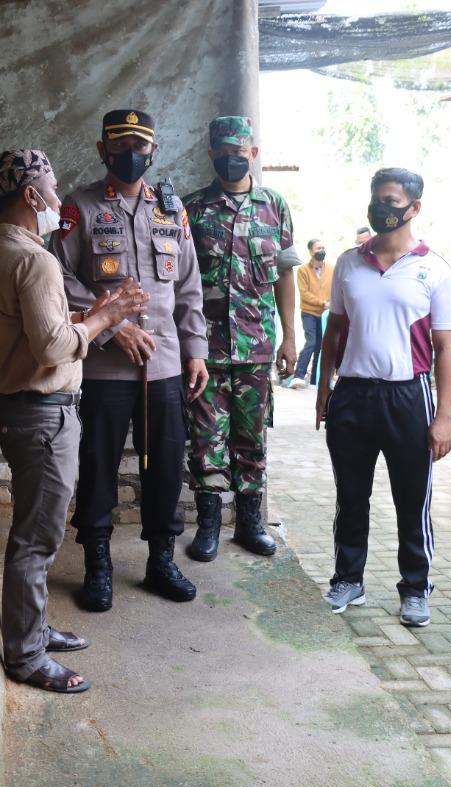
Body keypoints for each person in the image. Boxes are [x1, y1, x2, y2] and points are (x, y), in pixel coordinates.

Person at [0, 149, 148, 693]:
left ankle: (31, 627)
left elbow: (41, 326)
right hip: (42, 416)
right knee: (38, 538)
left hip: (26, 413)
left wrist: (95, 312)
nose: (58, 200)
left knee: (35, 530)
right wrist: (106, 317)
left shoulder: (3, 249)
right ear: (32, 196)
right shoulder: (36, 259)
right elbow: (52, 347)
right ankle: (26, 655)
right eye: (52, 191)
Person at [54, 109, 209, 612]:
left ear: (153, 152)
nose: (131, 154)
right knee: (97, 465)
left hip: (163, 366)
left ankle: (160, 558)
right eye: (119, 145)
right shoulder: (78, 207)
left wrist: (196, 352)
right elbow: (60, 277)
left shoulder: (172, 209)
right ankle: (97, 562)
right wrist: (114, 328)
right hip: (103, 368)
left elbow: (188, 287)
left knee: (165, 465)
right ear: (102, 151)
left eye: (140, 146)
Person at [316, 167, 451, 628]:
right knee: (350, 495)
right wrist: (324, 393)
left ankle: (415, 588)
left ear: (414, 208)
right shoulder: (349, 262)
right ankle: (348, 580)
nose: (382, 208)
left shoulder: (434, 268)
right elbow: (334, 332)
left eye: (392, 201)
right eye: (376, 199)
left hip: (408, 398)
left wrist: (445, 418)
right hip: (353, 396)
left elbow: (445, 350)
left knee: (411, 499)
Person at [182, 115, 297, 563]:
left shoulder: (275, 206)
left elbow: (286, 276)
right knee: (206, 440)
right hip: (205, 352)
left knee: (252, 440)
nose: (233, 158)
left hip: (256, 347)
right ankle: (208, 526)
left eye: (240, 151)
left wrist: (290, 338)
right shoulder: (191, 209)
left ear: (253, 153)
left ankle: (249, 525)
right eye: (224, 152)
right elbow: (180, 282)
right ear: (212, 155)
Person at [292, 237, 332, 389]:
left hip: (325, 314)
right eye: (318, 248)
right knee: (311, 342)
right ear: (311, 251)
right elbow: (304, 293)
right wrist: (322, 302)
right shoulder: (303, 270)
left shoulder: (331, 269)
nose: (321, 251)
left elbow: (336, 288)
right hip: (309, 312)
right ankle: (298, 376)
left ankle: (316, 379)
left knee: (321, 346)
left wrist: (330, 303)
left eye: (322, 248)